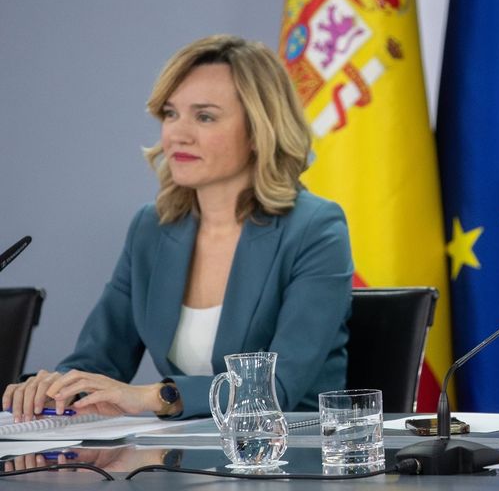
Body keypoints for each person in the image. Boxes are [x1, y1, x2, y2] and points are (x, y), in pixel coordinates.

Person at [2, 35, 353, 420]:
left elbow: (277, 387)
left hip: (290, 461)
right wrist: (53, 388)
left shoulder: (316, 229)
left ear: (259, 130)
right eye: (170, 114)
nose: (177, 134)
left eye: (204, 116)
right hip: (185, 459)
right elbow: (98, 361)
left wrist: (154, 396)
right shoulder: (151, 229)